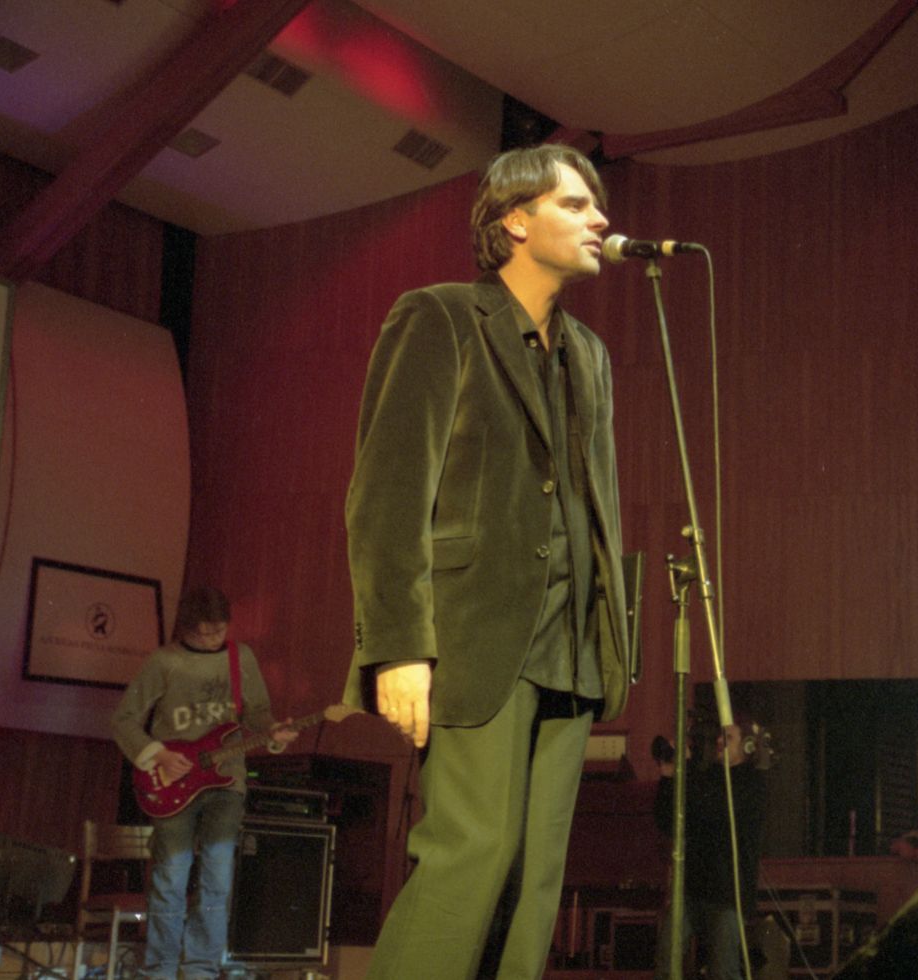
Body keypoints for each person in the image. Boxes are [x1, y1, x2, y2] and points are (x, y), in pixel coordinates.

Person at [342, 143, 632, 980]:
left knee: (534, 880)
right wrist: (398, 645)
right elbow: (389, 492)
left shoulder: (589, 354)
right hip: (476, 633)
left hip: (571, 647)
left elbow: (596, 507)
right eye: (574, 204)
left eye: (596, 204)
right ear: (515, 220)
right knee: (472, 853)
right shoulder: (438, 317)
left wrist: (609, 637)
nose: (599, 219)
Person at [110, 586, 297, 980]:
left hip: (227, 781)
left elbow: (258, 715)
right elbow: (123, 720)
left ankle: (201, 970)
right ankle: (160, 970)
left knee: (218, 876)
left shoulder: (241, 658)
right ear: (186, 627)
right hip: (172, 780)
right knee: (171, 875)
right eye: (203, 632)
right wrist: (158, 755)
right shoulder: (164, 661)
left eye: (219, 630)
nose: (213, 638)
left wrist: (273, 733)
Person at [653, 719, 770, 980]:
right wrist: (667, 777)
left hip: (727, 892)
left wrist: (687, 768)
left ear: (748, 747)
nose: (719, 741)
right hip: (692, 888)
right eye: (719, 736)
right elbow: (668, 822)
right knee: (666, 961)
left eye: (728, 738)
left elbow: (713, 809)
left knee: (722, 970)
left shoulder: (751, 783)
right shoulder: (708, 777)